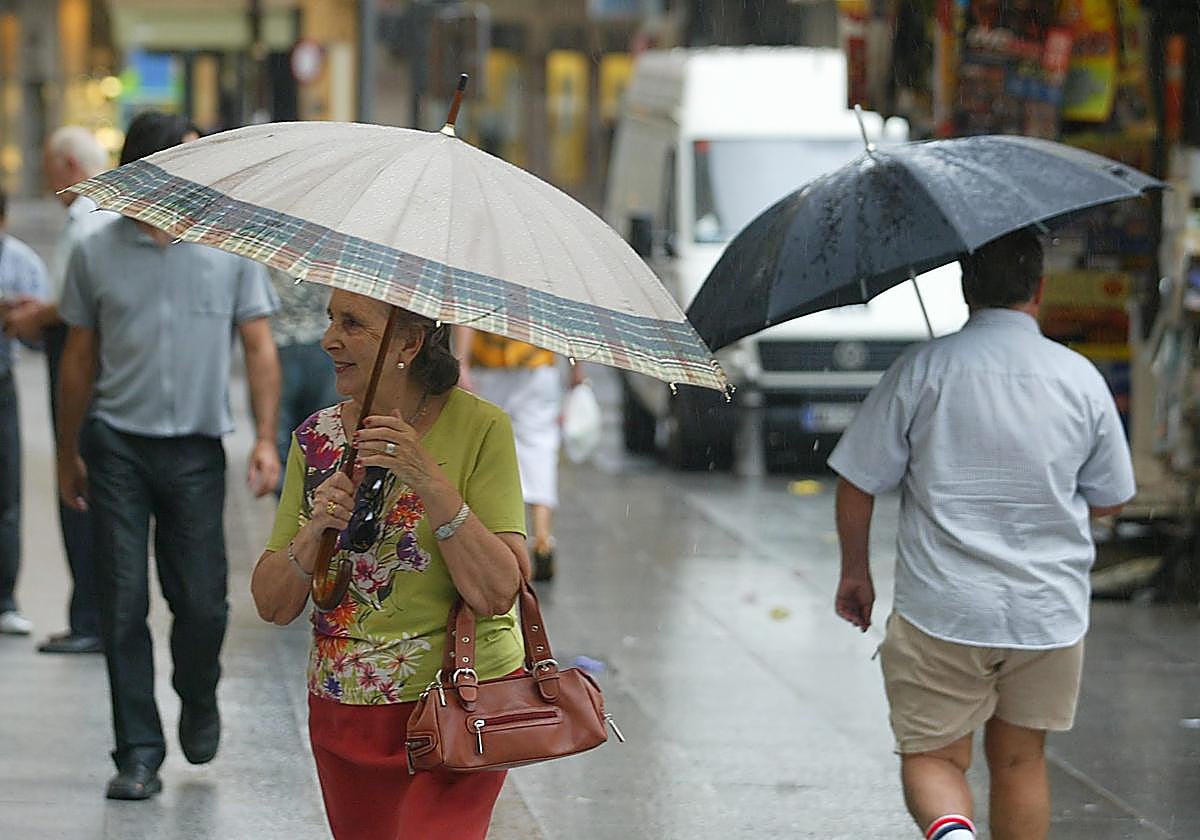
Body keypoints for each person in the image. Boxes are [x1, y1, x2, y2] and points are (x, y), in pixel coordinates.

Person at [828, 228, 1136, 840]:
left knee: (936, 757)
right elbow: (1111, 499)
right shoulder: (1080, 378)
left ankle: (953, 833)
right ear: (1039, 290)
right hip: (1046, 613)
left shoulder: (922, 369)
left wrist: (855, 573)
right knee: (1021, 761)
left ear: (966, 288)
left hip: (943, 609)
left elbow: (858, 480)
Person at [55, 111, 282, 800]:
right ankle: (138, 753)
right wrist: (67, 452)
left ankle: (198, 692)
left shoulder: (229, 247)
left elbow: (259, 345)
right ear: (149, 169)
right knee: (122, 601)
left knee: (203, 604)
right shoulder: (94, 248)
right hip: (117, 446)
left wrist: (265, 437)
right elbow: (78, 360)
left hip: (195, 452)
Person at [252, 290, 528, 840]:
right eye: (331, 320)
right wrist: (315, 530)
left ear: (409, 342)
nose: (329, 339)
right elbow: (272, 603)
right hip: (346, 708)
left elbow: (500, 591)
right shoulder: (317, 440)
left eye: (353, 324)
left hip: (459, 703)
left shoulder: (481, 428)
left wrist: (428, 480)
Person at [4, 126, 114, 654]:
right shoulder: (96, 219)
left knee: (77, 481)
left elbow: (75, 307)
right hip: (82, 365)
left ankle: (91, 617)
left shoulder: (87, 220)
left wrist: (33, 316)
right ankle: (89, 614)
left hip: (79, 368)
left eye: (50, 168)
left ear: (69, 165)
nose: (48, 181)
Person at [452, 326, 584, 581]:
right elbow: (566, 316)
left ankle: (495, 540)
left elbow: (467, 317)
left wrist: (461, 361)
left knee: (487, 451)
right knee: (540, 448)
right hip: (535, 362)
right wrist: (576, 366)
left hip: (488, 363)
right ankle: (542, 538)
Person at [0, 187, 50, 636]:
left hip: (2, 383)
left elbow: (45, 338)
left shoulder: (21, 263)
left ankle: (4, 599)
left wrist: (25, 320)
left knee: (6, 495)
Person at [266, 266, 341, 487]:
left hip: (319, 341)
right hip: (278, 342)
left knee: (323, 434)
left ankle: (313, 498)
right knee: (283, 437)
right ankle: (290, 501)